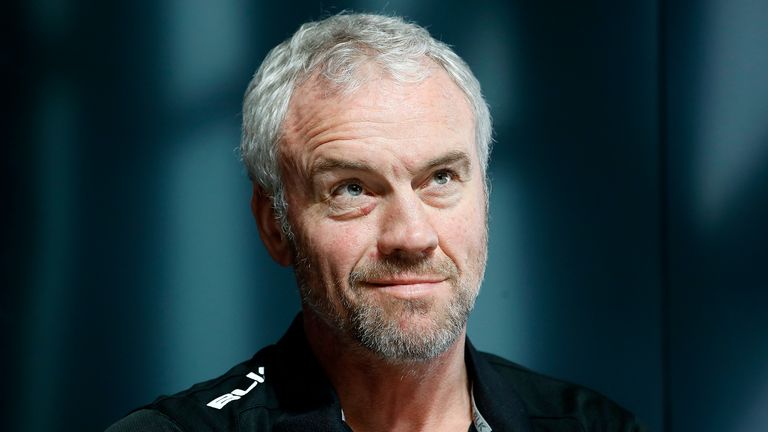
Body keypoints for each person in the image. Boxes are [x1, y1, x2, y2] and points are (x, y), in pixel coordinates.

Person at [107, 13, 646, 432]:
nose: (412, 236)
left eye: (440, 178)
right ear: (275, 225)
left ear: (484, 199)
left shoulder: (593, 424)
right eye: (352, 189)